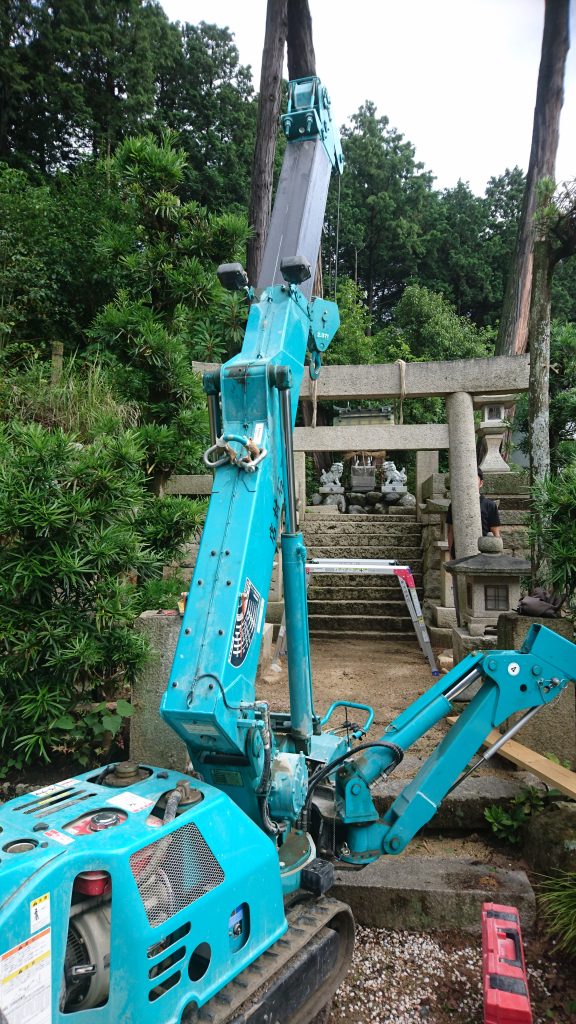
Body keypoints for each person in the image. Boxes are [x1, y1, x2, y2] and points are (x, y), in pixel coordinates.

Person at [446, 467, 500, 559]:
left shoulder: (490, 505)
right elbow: (451, 531)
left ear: (481, 483)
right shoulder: (454, 505)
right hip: (459, 552)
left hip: (484, 555)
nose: (469, 482)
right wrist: (451, 554)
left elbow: (496, 533)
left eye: (473, 479)